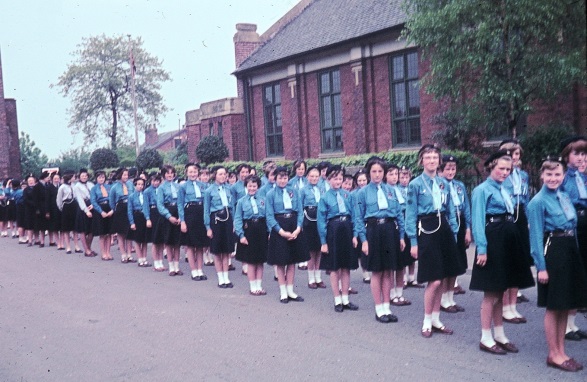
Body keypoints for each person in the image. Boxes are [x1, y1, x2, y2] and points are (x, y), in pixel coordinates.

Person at [470, 150, 535, 354]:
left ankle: (499, 334)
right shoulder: (482, 190)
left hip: (507, 239)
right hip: (493, 240)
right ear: (491, 167)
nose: (505, 172)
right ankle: (486, 337)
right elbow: (478, 221)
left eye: (508, 169)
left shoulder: (503, 188)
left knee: (501, 289)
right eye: (501, 168)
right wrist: (482, 249)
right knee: (491, 292)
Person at [527, 156, 587, 372]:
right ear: (542, 176)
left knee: (565, 304)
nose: (553, 178)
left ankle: (562, 351)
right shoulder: (537, 202)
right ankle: (553, 354)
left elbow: (573, 228)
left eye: (557, 174)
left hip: (570, 251)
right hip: (554, 253)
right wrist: (541, 267)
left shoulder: (564, 196)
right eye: (549, 174)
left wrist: (578, 257)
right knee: (554, 306)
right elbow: (535, 237)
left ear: (563, 176)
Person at [406, 144, 465, 337]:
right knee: (434, 279)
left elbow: (450, 210)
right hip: (427, 228)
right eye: (428, 157)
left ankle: (437, 319)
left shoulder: (443, 183)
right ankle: (426, 321)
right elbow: (411, 214)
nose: (432, 161)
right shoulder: (415, 185)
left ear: (439, 161)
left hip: (444, 229)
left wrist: (455, 233)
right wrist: (413, 241)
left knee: (443, 276)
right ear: (421, 161)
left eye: (434, 157)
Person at [355, 158, 405, 323]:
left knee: (388, 270)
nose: (377, 175)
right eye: (374, 171)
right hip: (373, 231)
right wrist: (363, 240)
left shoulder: (390, 190)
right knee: (377, 271)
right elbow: (359, 218)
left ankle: (387, 306)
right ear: (369, 173)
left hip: (390, 230)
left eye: (380, 171)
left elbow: (398, 214)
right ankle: (379, 309)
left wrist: (401, 236)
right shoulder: (363, 193)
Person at [318, 165, 359, 312]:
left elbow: (354, 216)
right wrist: (323, 242)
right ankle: (337, 300)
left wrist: (355, 235)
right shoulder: (324, 198)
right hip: (333, 231)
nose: (338, 181)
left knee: (346, 266)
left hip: (347, 229)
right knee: (335, 267)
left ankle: (346, 298)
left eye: (340, 178)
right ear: (328, 180)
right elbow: (321, 221)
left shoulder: (348, 195)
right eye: (335, 178)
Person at [499, 139, 531, 324]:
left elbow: (525, 197)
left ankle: (513, 306)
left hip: (521, 217)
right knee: (508, 262)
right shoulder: (503, 176)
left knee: (519, 261)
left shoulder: (524, 175)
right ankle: (505, 307)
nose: (514, 158)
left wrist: (527, 220)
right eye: (510, 154)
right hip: (508, 217)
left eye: (517, 154)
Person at [266, 166, 309, 303]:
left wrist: (298, 228)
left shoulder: (294, 192)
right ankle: (283, 292)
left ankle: (291, 290)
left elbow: (300, 212)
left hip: (294, 226)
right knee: (281, 262)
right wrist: (281, 232)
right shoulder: (270, 194)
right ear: (275, 178)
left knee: (292, 261)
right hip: (280, 229)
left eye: (285, 177)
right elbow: (269, 216)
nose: (283, 180)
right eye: (280, 178)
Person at [559, 135, 587, 341]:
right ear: (567, 156)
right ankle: (566, 325)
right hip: (572, 224)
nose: (580, 158)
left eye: (584, 153)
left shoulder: (585, 176)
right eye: (576, 153)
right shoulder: (563, 178)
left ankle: (573, 322)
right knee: (573, 273)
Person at [439, 155, 471, 313]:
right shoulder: (440, 185)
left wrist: (468, 229)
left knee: (457, 262)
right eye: (447, 169)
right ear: (441, 170)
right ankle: (443, 299)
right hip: (446, 224)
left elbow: (466, 207)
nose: (451, 171)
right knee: (448, 263)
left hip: (460, 221)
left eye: (453, 168)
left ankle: (451, 298)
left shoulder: (459, 185)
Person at [233, 175, 268, 295]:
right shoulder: (241, 202)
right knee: (251, 261)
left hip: (262, 230)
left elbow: (268, 216)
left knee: (260, 260)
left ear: (258, 186)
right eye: (249, 186)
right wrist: (241, 235)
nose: (252, 188)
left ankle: (259, 285)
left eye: (254, 186)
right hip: (249, 231)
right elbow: (237, 219)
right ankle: (253, 287)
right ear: (246, 186)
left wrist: (269, 232)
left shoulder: (264, 199)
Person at [385, 163, 412, 307]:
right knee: (391, 264)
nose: (394, 177)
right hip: (391, 228)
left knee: (401, 262)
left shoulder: (402, 190)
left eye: (396, 174)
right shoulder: (385, 190)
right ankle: (390, 294)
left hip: (403, 227)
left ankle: (399, 293)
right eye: (391, 174)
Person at [204, 166, 235, 287]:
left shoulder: (229, 189)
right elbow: (206, 210)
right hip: (216, 220)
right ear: (215, 175)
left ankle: (226, 277)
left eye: (224, 174)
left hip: (227, 220)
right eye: (220, 174)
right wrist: (208, 227)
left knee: (227, 251)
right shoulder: (209, 191)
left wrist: (233, 224)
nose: (223, 176)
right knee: (217, 251)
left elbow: (232, 207)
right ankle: (220, 278)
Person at [178, 163, 209, 281]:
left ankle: (200, 269)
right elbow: (180, 204)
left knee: (200, 245)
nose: (193, 174)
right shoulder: (183, 187)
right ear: (186, 173)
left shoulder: (204, 186)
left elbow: (207, 202)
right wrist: (182, 221)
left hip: (201, 213)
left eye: (195, 172)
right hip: (189, 214)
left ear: (198, 173)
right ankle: (194, 270)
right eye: (190, 172)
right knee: (190, 244)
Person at [299, 166, 326, 289]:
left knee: (320, 249)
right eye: (312, 176)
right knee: (311, 251)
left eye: (316, 176)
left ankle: (318, 277)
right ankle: (311, 279)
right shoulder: (303, 190)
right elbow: (300, 208)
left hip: (320, 218)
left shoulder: (322, 189)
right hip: (309, 220)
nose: (314, 178)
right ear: (307, 177)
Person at [156, 165, 183, 276]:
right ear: (163, 175)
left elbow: (182, 202)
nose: (170, 175)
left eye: (171, 173)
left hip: (178, 212)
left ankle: (177, 266)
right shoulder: (161, 188)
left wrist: (181, 216)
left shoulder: (179, 187)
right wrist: (169, 216)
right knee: (169, 242)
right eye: (167, 173)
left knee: (177, 242)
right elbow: (160, 205)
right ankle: (171, 267)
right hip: (168, 214)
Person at [109, 168, 134, 263]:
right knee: (121, 233)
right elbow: (111, 201)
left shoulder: (130, 184)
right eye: (124, 175)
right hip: (120, 209)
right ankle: (123, 254)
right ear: (120, 175)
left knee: (129, 232)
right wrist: (115, 210)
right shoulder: (114, 187)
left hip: (130, 207)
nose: (126, 177)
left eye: (127, 175)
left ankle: (129, 254)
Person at [352, 169, 370, 284]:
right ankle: (365, 274)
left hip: (371, 223)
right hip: (360, 222)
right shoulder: (354, 194)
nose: (362, 182)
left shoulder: (370, 191)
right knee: (363, 250)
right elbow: (356, 210)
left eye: (364, 180)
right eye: (359, 180)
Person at [128, 177, 151, 267]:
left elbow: (147, 207)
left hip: (145, 217)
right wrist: (132, 222)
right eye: (138, 184)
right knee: (137, 240)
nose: (140, 186)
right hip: (137, 217)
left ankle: (144, 258)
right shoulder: (131, 196)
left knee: (145, 240)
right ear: (135, 185)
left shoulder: (145, 195)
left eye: (142, 184)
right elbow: (129, 210)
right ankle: (140, 259)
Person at [90, 171, 114, 261]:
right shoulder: (94, 189)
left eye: (103, 177)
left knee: (109, 233)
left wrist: (112, 210)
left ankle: (108, 252)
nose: (101, 179)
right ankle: (103, 253)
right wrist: (101, 212)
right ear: (96, 178)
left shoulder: (109, 187)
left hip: (109, 208)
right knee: (102, 233)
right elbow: (93, 202)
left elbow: (112, 198)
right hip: (100, 210)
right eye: (99, 177)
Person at [144, 173, 165, 271]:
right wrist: (147, 218)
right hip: (153, 213)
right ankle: (156, 262)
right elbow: (145, 206)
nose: (155, 182)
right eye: (153, 181)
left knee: (161, 241)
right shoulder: (147, 191)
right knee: (155, 240)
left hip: (161, 214)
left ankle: (161, 261)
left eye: (157, 181)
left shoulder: (162, 189)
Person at [73, 168, 96, 257]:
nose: (84, 177)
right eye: (82, 176)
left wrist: (93, 205)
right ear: (79, 177)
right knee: (83, 230)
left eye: (86, 175)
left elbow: (95, 196)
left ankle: (89, 248)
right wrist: (86, 211)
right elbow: (79, 199)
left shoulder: (91, 184)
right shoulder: (77, 186)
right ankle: (86, 250)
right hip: (83, 208)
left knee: (92, 230)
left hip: (92, 205)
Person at [56, 172, 77, 253]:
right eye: (73, 176)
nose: (74, 178)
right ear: (70, 177)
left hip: (74, 205)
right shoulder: (62, 187)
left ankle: (76, 246)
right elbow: (59, 200)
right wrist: (62, 208)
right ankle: (68, 247)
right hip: (66, 206)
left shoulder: (74, 186)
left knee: (75, 228)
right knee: (66, 228)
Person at [32, 171, 51, 247]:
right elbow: (35, 199)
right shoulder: (37, 186)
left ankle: (51, 240)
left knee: (49, 225)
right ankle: (42, 241)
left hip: (48, 207)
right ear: (44, 178)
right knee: (41, 226)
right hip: (40, 208)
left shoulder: (48, 185)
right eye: (48, 177)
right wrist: (37, 209)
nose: (49, 179)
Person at [47, 172, 63, 249]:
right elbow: (47, 200)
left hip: (62, 209)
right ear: (52, 179)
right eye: (55, 179)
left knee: (62, 227)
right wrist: (47, 211)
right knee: (55, 227)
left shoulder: (62, 187)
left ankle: (62, 242)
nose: (56, 180)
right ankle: (58, 242)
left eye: (58, 178)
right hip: (53, 209)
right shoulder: (49, 187)